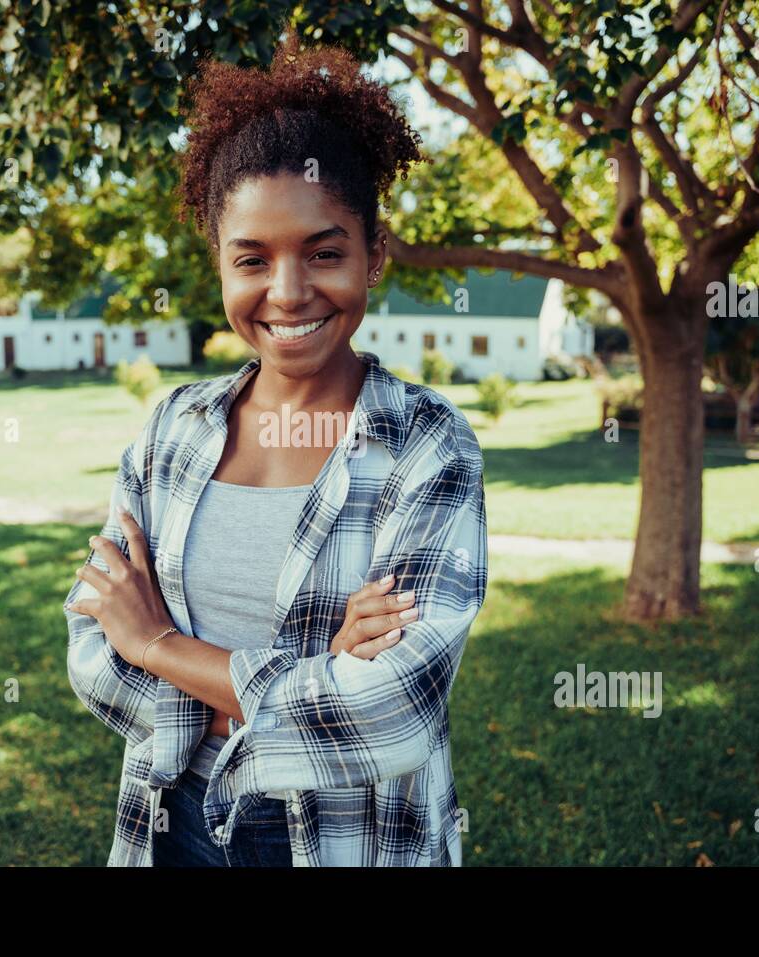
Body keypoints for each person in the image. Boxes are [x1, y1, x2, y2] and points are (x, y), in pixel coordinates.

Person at [63, 34, 488, 867]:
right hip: (169, 823)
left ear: (375, 254)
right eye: (251, 258)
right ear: (220, 265)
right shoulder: (172, 431)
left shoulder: (426, 445)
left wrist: (163, 648)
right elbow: (90, 647)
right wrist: (315, 673)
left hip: (346, 842)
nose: (288, 292)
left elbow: (395, 710)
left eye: (324, 252)